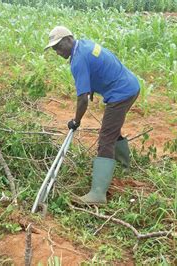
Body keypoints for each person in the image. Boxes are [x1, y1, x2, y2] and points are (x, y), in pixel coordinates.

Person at [45, 26, 140, 204]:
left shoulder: (78, 60)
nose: (57, 52)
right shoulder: (85, 46)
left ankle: (97, 194)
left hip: (121, 93)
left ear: (68, 39)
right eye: (54, 49)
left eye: (58, 47)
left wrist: (76, 120)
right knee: (112, 128)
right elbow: (98, 67)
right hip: (130, 85)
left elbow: (82, 100)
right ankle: (123, 166)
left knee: (106, 137)